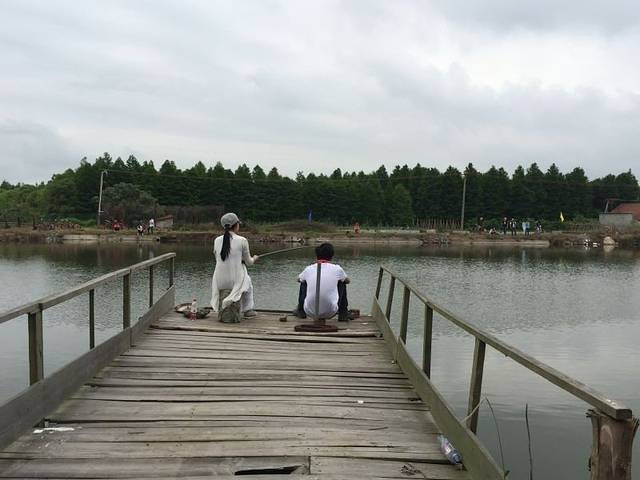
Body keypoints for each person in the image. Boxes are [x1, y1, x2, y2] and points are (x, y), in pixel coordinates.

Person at [210, 212, 259, 319]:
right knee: (248, 282)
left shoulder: (217, 240)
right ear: (236, 225)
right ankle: (248, 310)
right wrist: (254, 258)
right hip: (235, 281)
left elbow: (218, 259)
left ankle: (224, 310)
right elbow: (249, 262)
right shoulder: (242, 240)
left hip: (219, 281)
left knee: (243, 275)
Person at [293, 243, 351, 322]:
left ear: (317, 255)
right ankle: (343, 314)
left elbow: (298, 279)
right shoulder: (337, 269)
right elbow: (348, 281)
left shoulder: (309, 269)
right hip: (330, 312)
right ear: (332, 256)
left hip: (310, 311)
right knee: (342, 281)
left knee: (303, 281)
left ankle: (301, 311)